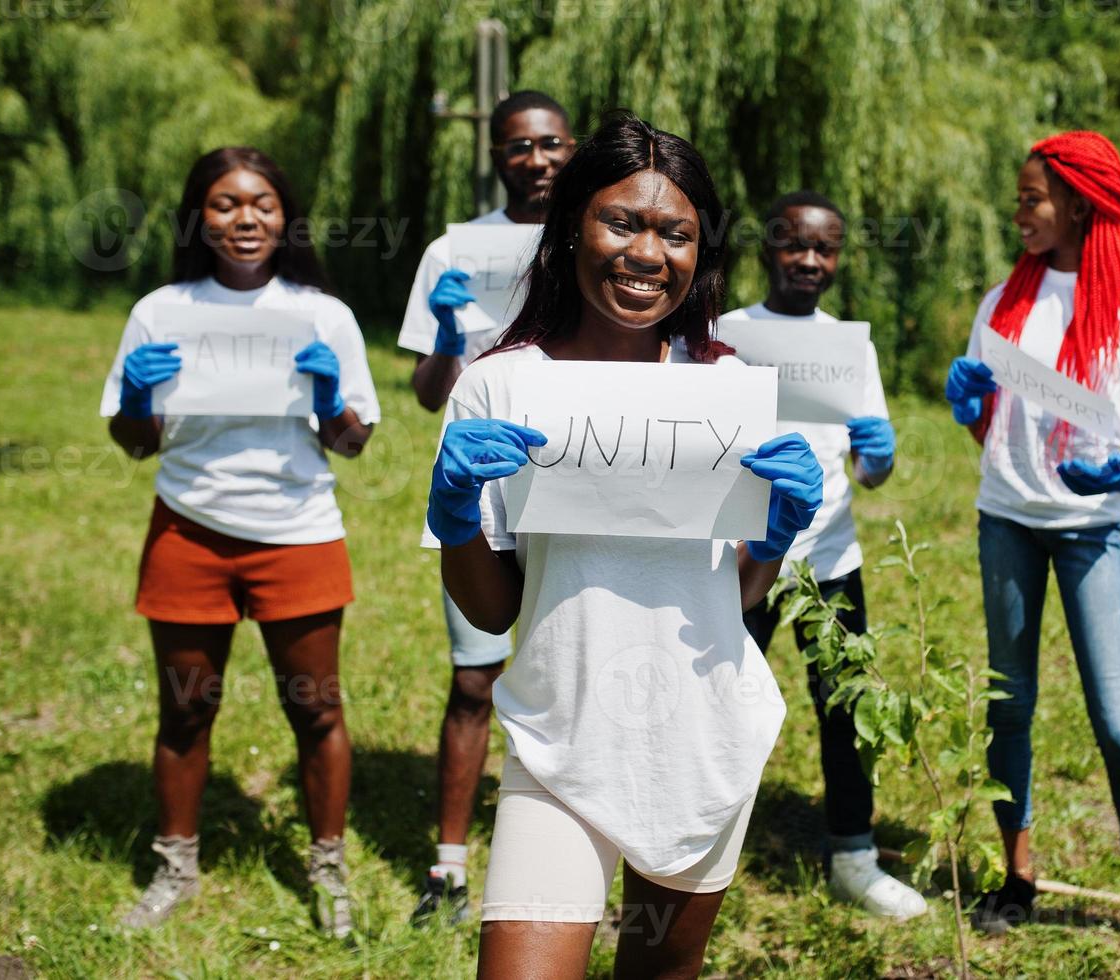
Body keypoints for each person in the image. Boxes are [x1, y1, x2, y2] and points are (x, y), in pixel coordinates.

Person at [424, 113, 822, 979]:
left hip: (703, 740)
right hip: (557, 741)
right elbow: (493, 612)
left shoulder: (725, 390)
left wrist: (776, 537)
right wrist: (455, 511)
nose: (647, 253)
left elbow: (742, 594)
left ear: (700, 253)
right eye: (622, 222)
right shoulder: (499, 382)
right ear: (571, 225)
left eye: (674, 232)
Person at [943, 131, 1120, 977]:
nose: (1016, 213)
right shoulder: (1000, 303)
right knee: (1008, 706)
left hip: (1090, 528)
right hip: (1005, 520)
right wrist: (969, 410)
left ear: (1081, 204)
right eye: (1018, 198)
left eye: (1031, 199)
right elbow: (993, 427)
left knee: (1118, 722)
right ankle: (1016, 877)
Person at [102, 147, 380, 937]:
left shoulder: (323, 315)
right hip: (188, 527)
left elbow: (352, 443)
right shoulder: (161, 311)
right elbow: (134, 443)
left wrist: (330, 399)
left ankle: (327, 868)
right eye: (225, 204)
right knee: (185, 712)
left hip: (297, 533)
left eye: (261, 202)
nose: (245, 218)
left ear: (284, 214)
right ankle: (176, 867)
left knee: (317, 710)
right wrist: (134, 396)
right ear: (200, 217)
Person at [396, 91, 576, 925]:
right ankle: (448, 868)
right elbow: (431, 393)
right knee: (475, 677)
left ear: (570, 148)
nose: (535, 160)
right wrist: (442, 338)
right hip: (479, 485)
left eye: (549, 144)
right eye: (517, 147)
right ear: (496, 154)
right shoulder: (452, 249)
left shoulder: (595, 235)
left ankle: (572, 855)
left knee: (575, 670)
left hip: (574, 481)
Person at [724, 191, 924, 920]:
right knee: (720, 702)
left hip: (829, 560)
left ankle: (854, 856)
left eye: (826, 248)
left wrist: (879, 461)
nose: (810, 260)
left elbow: (866, 469)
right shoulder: (724, 336)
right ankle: (695, 843)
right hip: (740, 560)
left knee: (844, 710)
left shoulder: (849, 345)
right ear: (765, 248)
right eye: (794, 244)